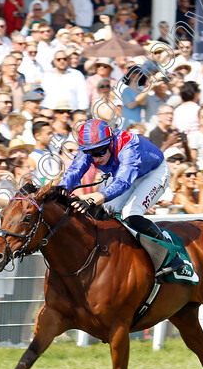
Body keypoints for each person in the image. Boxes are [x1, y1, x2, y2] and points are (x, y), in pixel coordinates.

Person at [59, 119, 184, 277]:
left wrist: (93, 199)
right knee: (107, 215)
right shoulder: (92, 149)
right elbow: (76, 169)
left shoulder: (128, 146)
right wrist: (62, 188)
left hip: (153, 173)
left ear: (111, 143)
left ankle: (171, 256)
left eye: (100, 152)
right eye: (91, 154)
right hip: (126, 175)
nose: (95, 158)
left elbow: (123, 182)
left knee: (130, 215)